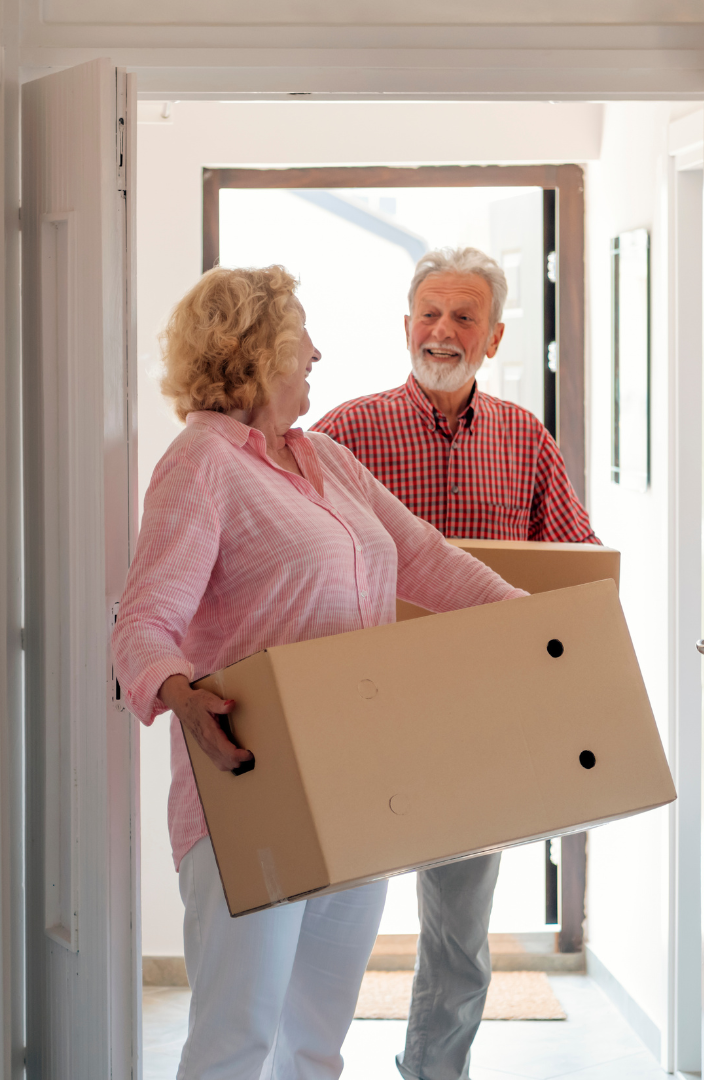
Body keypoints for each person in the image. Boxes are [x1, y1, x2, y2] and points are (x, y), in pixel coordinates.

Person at [112, 264, 527, 1080]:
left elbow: (425, 560)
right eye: (303, 340)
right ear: (257, 351)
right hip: (253, 791)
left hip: (354, 789)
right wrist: (181, 695)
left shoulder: (326, 457)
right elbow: (144, 618)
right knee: (237, 1042)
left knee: (315, 1046)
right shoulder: (201, 464)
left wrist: (539, 625)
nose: (318, 355)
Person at [310, 246, 600, 1080]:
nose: (443, 332)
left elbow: (572, 564)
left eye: (463, 317)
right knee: (326, 919)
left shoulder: (523, 437)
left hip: (481, 721)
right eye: (429, 314)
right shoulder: (344, 433)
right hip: (362, 709)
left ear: (496, 335)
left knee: (460, 938)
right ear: (406, 325)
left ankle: (436, 1073)